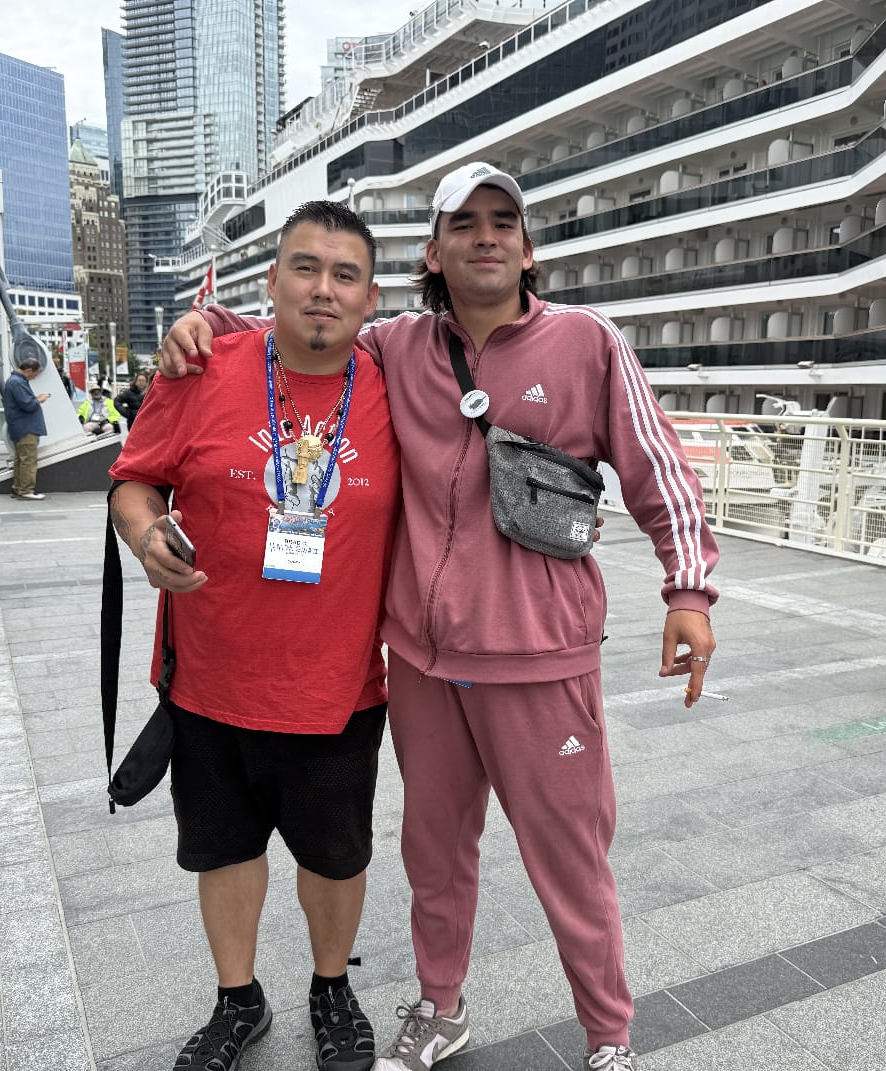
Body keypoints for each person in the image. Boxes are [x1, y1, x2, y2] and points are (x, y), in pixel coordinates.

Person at [158, 162, 719, 1071]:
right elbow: (305, 328)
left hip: (540, 657)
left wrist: (687, 590)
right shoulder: (399, 346)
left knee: (570, 859)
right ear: (433, 252)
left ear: (528, 249)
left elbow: (660, 470)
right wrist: (208, 324)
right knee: (435, 852)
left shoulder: (587, 342)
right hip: (422, 661)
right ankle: (440, 1006)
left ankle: (609, 1036)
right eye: (464, 224)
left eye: (503, 222)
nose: (485, 236)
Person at [109, 200, 401, 1071]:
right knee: (224, 851)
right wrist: (146, 536)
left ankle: (331, 987)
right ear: (271, 282)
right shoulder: (202, 370)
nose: (323, 289)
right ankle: (238, 998)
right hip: (211, 679)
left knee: (336, 857)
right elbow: (133, 482)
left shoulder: (397, 389)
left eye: (345, 275)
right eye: (305, 268)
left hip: (339, 687)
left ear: (370, 298)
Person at [2, 355, 49, 501]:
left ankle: (18, 488)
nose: (35, 377)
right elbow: (27, 405)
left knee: (20, 460)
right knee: (28, 460)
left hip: (18, 426)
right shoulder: (17, 382)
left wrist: (35, 399)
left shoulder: (14, 381)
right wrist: (39, 400)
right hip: (26, 427)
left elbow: (23, 401)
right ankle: (26, 490)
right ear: (29, 370)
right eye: (35, 374)